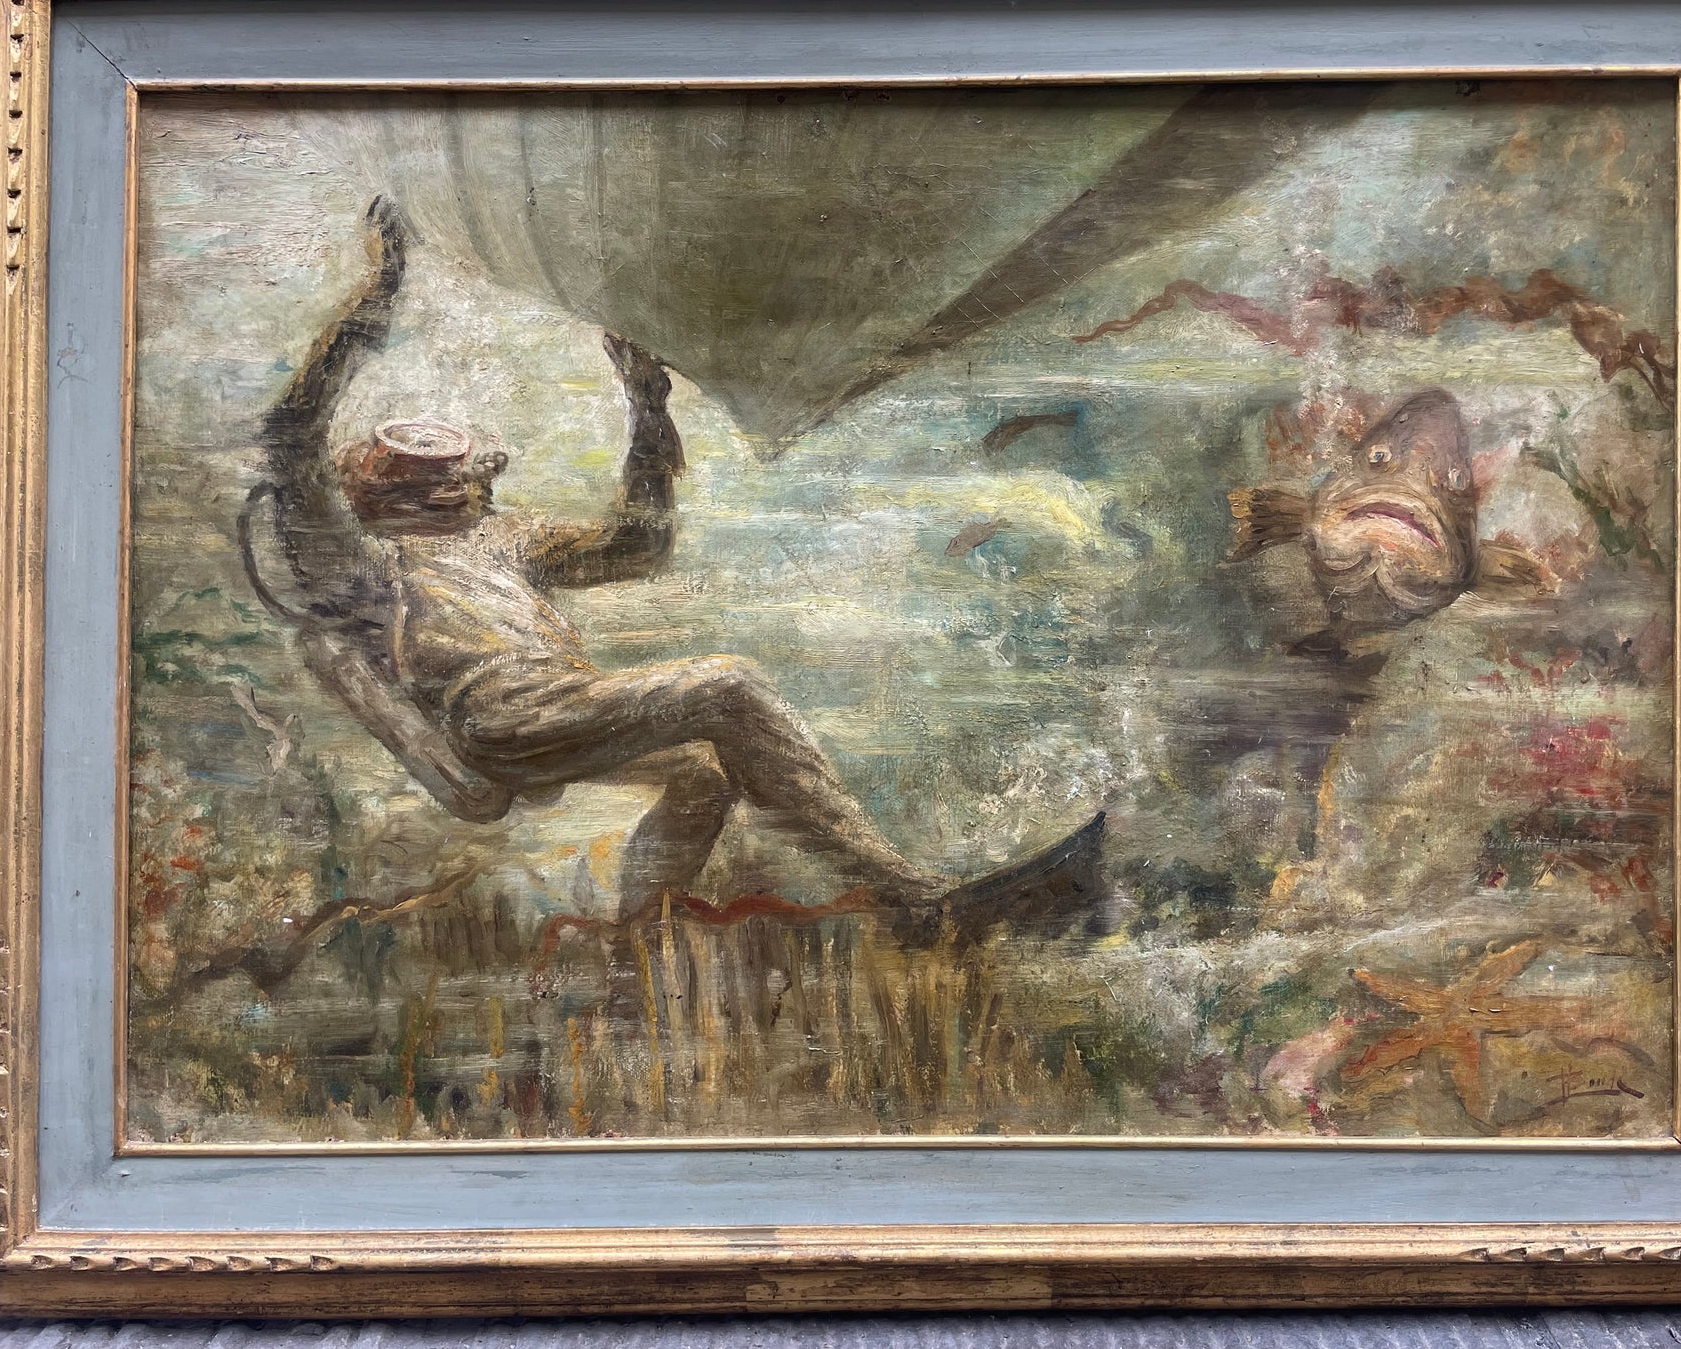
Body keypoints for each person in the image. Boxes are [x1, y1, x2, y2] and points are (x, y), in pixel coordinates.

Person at [244, 196, 1104, 934]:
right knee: (729, 687)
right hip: (500, 718)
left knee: (700, 777)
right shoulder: (359, 564)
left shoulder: (501, 540)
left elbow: (638, 545)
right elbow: (291, 435)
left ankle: (638, 946)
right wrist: (376, 294)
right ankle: (911, 902)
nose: (475, 485)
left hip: (554, 709)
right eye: (456, 476)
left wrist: (648, 410)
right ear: (398, 493)